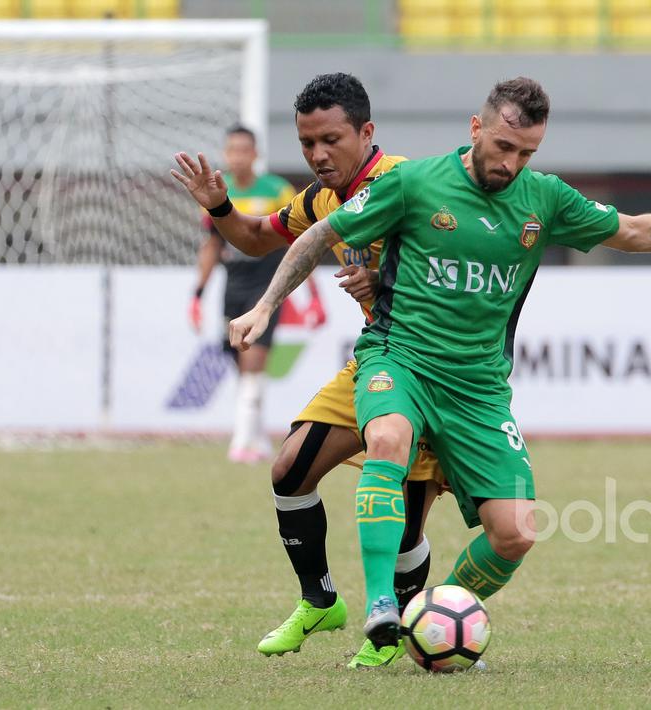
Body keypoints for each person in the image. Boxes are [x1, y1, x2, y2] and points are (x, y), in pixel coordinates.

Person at [227, 77, 651, 652]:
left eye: (526, 153)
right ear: (476, 128)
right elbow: (322, 233)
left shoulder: (543, 198)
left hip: (478, 389)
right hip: (400, 359)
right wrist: (267, 305)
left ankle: (433, 618)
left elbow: (635, 231)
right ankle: (379, 606)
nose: (511, 163)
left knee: (516, 532)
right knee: (385, 440)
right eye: (503, 147)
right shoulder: (415, 182)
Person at [172, 73, 446, 668]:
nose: (318, 155)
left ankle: (396, 632)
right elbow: (252, 237)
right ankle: (320, 600)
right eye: (306, 143)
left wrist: (393, 281)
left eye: (331, 140)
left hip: (436, 365)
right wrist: (219, 204)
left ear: (365, 133)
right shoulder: (321, 200)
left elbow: (461, 255)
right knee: (289, 470)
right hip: (379, 355)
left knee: (402, 522)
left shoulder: (409, 183)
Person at [190, 125, 297, 464]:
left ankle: (240, 441)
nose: (237, 156)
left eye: (243, 149)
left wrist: (311, 295)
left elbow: (300, 243)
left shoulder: (278, 191)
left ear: (256, 154)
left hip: (267, 288)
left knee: (254, 361)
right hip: (232, 288)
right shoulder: (217, 195)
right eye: (231, 149)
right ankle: (258, 437)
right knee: (242, 364)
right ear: (225, 154)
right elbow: (211, 246)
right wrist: (198, 294)